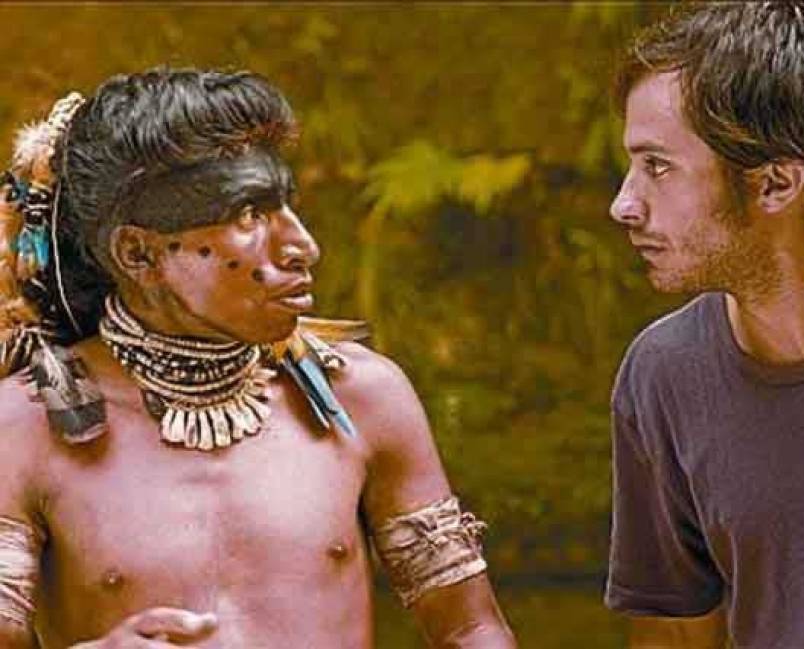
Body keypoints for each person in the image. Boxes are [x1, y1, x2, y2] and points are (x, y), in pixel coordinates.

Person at [0, 68, 517, 648]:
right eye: (248, 215)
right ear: (138, 254)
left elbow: (471, 629)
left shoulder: (362, 397)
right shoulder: (22, 428)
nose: (302, 247)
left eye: (286, 207)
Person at [604, 2, 804, 648]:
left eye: (658, 166)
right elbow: (676, 634)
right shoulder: (662, 376)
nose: (624, 204)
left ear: (775, 184)